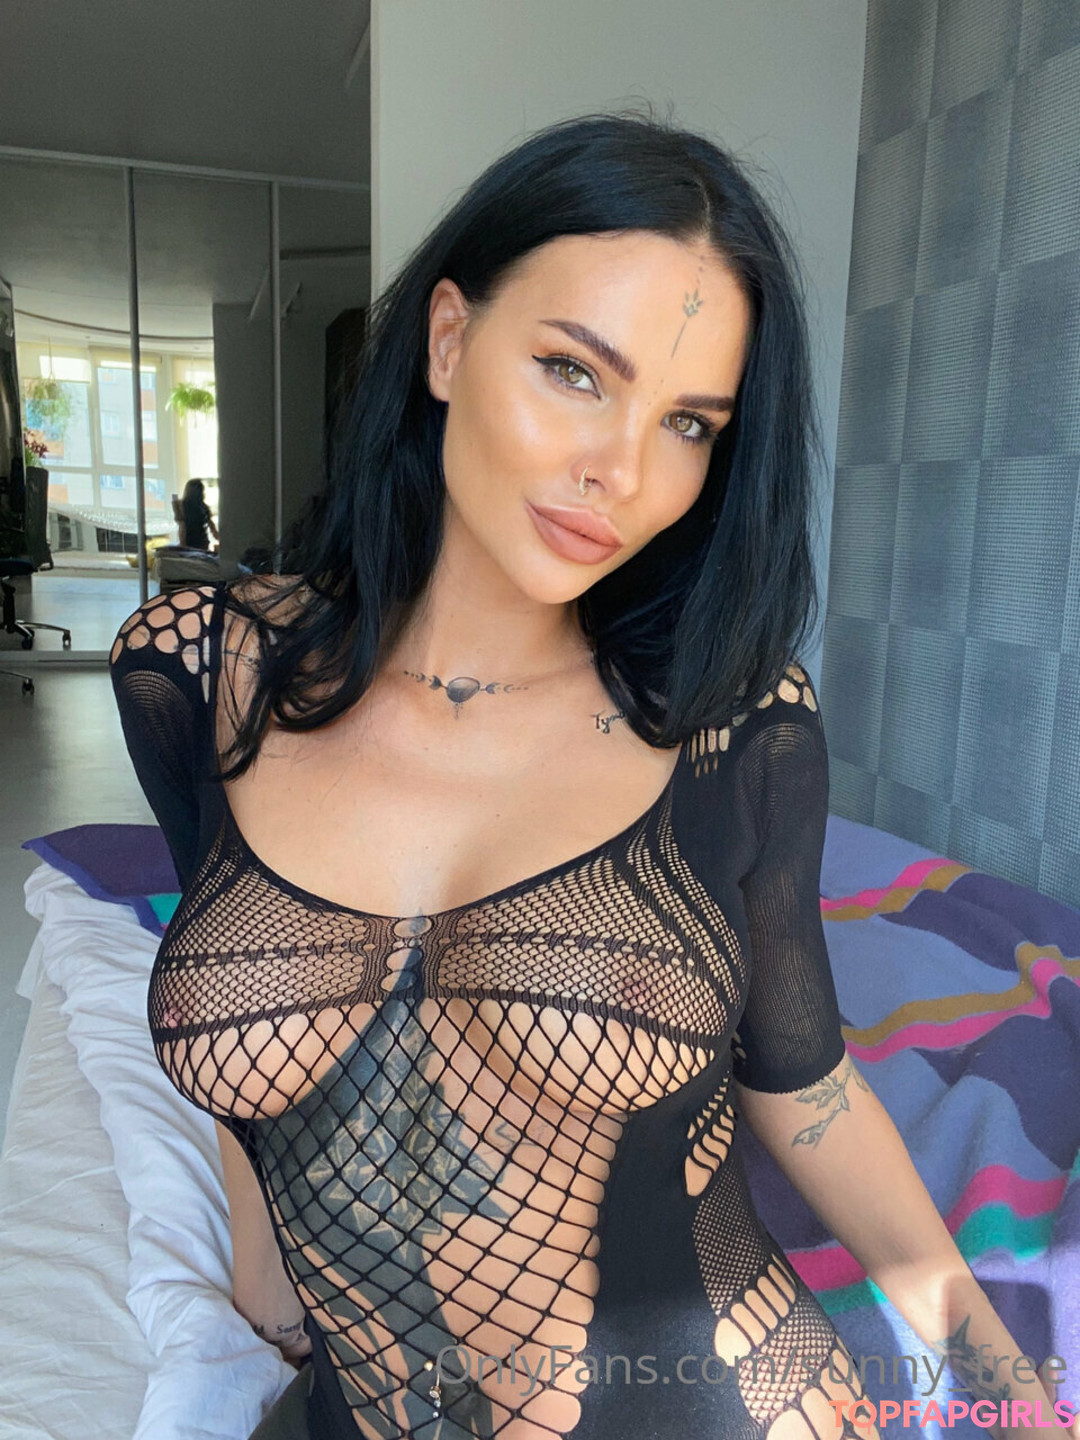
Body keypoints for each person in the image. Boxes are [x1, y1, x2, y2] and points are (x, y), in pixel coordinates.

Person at [109, 112, 1074, 1440]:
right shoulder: (195, 673)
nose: (619, 472)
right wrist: (262, 1278)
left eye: (688, 423)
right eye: (574, 371)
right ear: (449, 340)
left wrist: (1001, 1378)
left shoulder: (735, 726)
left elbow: (804, 1085)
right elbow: (237, 964)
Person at [181, 476, 219, 551]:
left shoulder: (183, 506)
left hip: (190, 542)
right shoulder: (203, 507)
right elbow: (212, 528)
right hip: (201, 542)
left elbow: (182, 527)